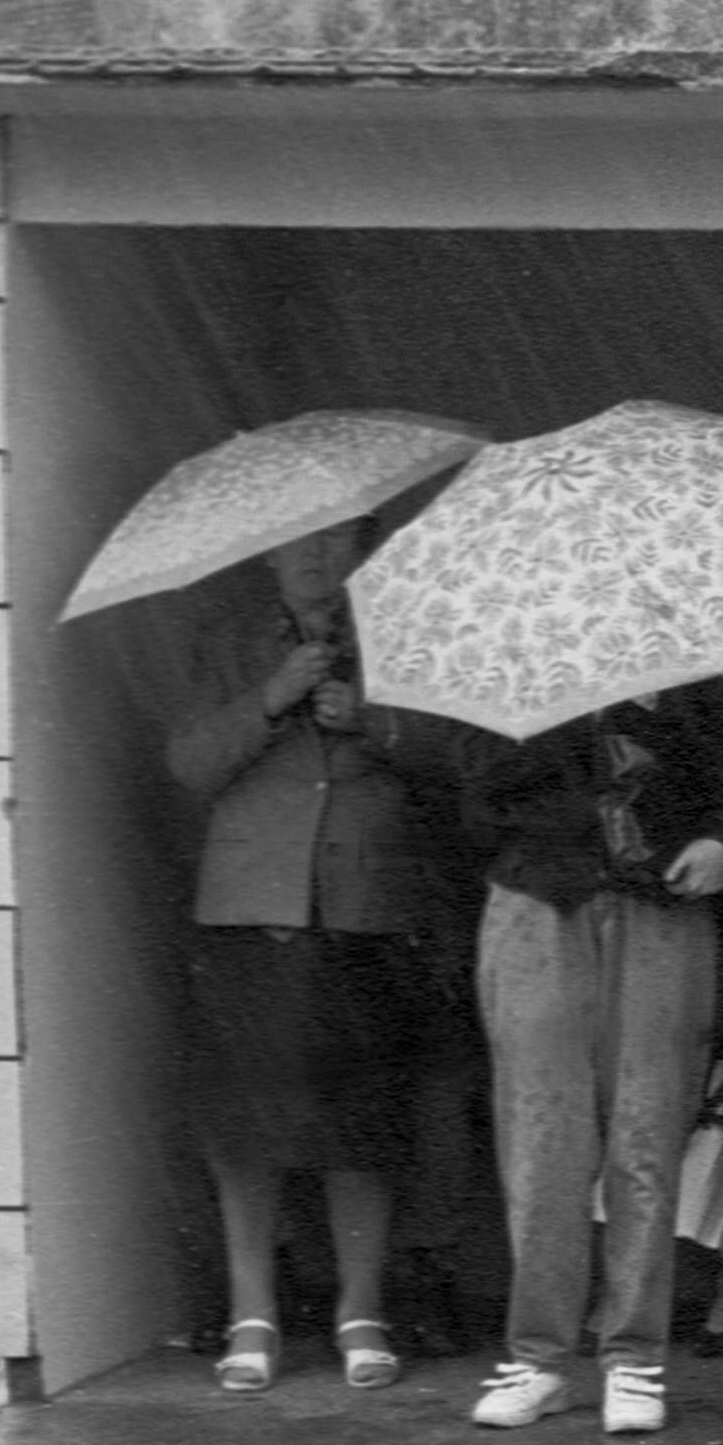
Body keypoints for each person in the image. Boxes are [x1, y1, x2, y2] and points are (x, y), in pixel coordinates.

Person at [161, 522, 466, 1395]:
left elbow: (457, 760)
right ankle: (252, 1313)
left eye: (335, 542)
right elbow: (187, 763)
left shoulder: (404, 630)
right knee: (245, 1123)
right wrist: (272, 695)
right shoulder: (226, 642)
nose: (316, 557)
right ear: (266, 552)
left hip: (368, 909)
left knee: (361, 1124)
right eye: (298, 543)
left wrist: (372, 720)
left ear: (361, 551)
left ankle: (360, 1312)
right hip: (249, 908)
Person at [462, 682, 723, 1433]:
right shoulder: (504, 667)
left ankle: (634, 1356)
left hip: (662, 911)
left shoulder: (693, 672)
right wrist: (572, 735)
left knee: (647, 1133)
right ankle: (539, 1358)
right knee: (540, 1139)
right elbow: (470, 794)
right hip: (536, 905)